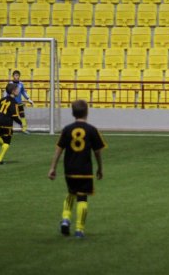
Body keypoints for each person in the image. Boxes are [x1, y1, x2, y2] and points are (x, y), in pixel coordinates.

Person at [48, 100, 107, 238]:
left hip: (69, 169)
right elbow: (97, 152)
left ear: (73, 113)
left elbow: (59, 149)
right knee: (82, 198)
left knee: (70, 193)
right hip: (85, 171)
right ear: (87, 112)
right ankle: (79, 229)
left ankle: (65, 219)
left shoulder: (67, 129)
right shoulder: (92, 130)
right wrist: (100, 168)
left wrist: (53, 167)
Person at [0, 83, 24, 164]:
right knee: (6, 143)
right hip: (7, 123)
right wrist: (21, 123)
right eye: (17, 90)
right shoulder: (14, 102)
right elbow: (14, 116)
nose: (18, 91)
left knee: (3, 143)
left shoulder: (2, 99)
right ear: (13, 91)